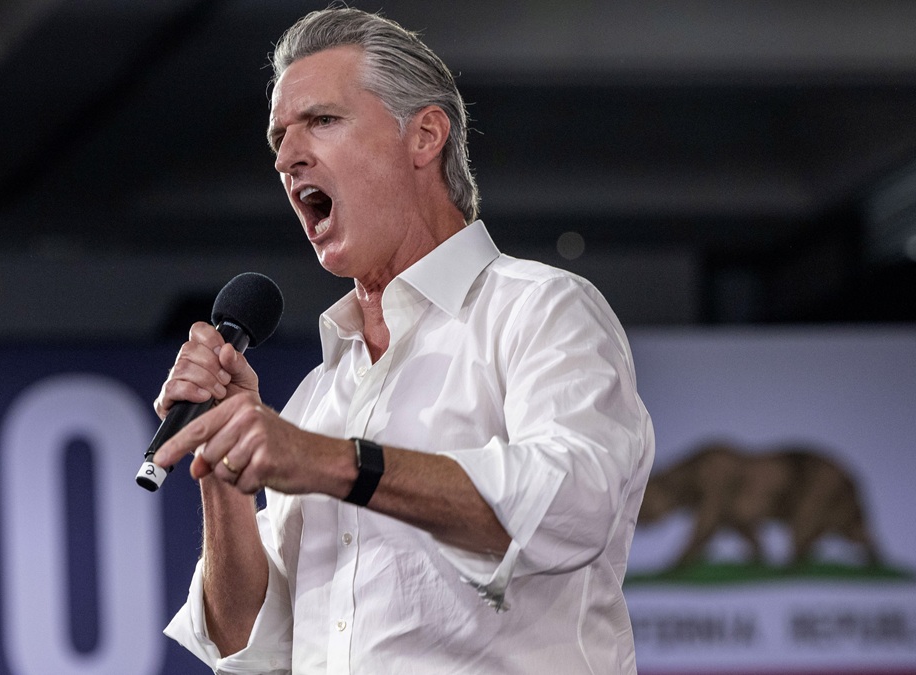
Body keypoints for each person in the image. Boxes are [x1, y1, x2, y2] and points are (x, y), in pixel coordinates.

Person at [155, 7, 654, 674]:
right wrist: (221, 467)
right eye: (279, 136)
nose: (285, 155)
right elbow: (252, 646)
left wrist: (330, 461)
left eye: (323, 121)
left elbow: (574, 509)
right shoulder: (319, 395)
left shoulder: (540, 310)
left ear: (424, 136)